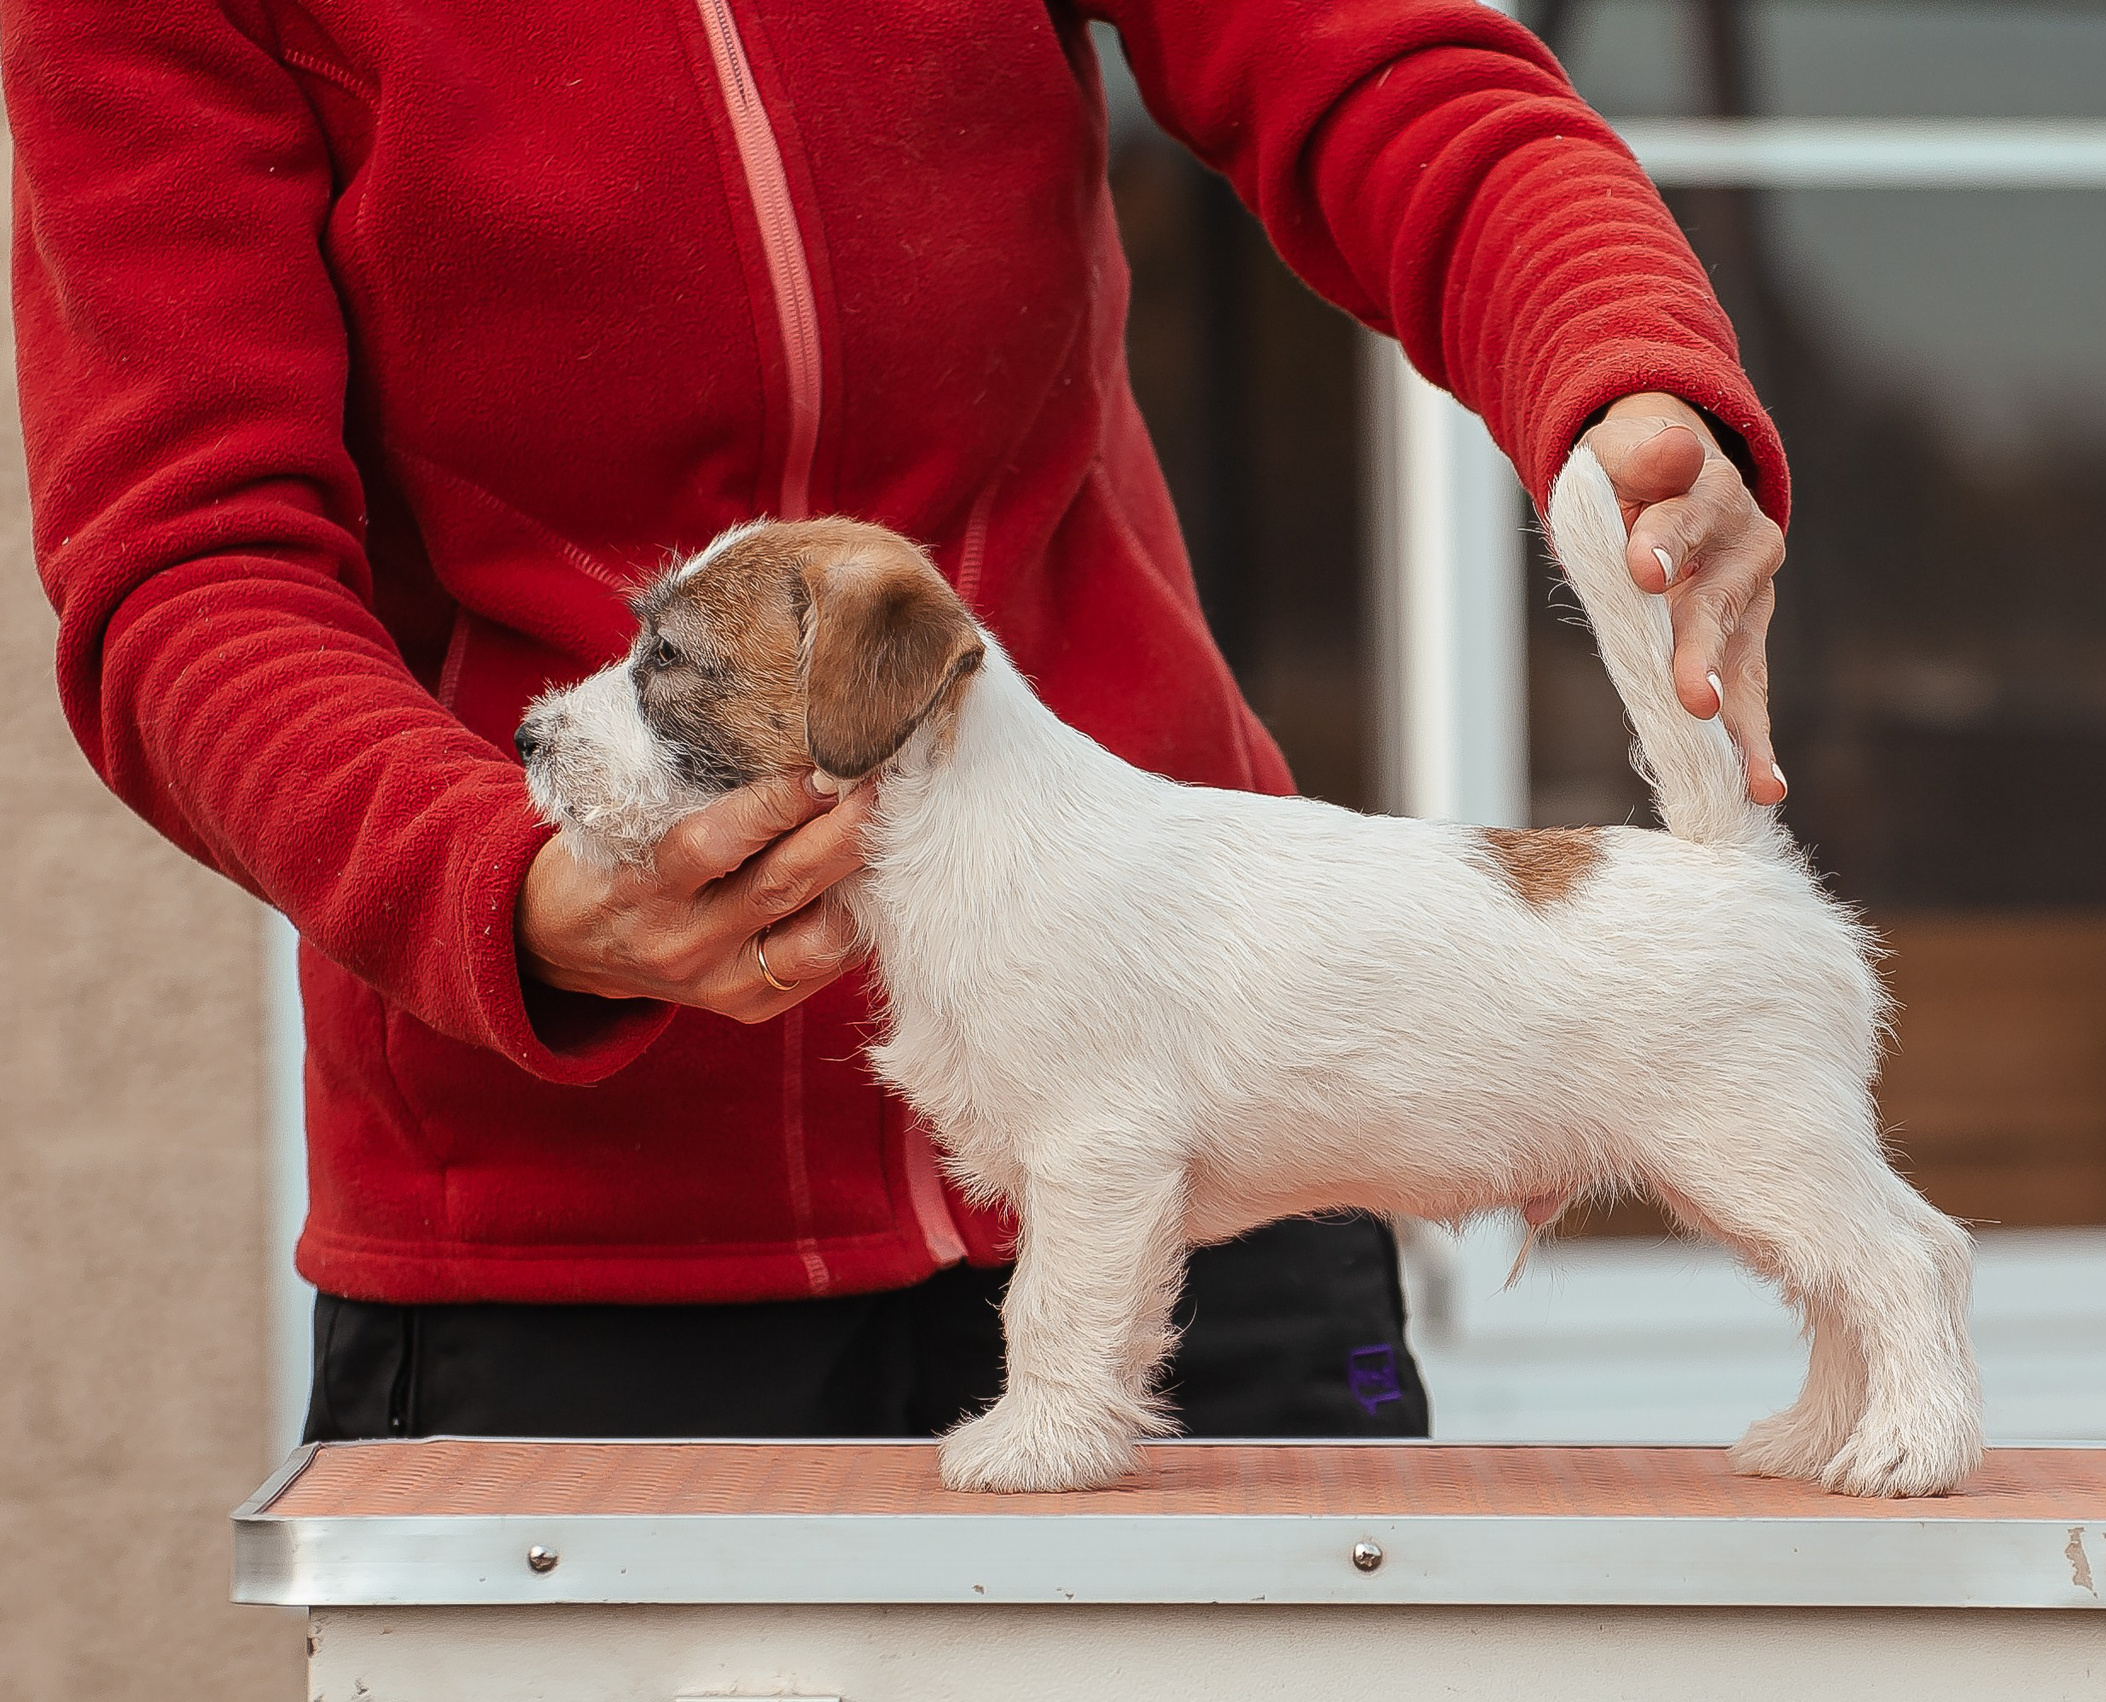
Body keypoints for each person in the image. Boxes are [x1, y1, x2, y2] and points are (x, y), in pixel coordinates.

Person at [6, 0, 1789, 1444]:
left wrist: (1615, 354)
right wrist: (499, 887)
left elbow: (1373, 59)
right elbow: (188, 565)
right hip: (575, 1256)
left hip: (1208, 1135)